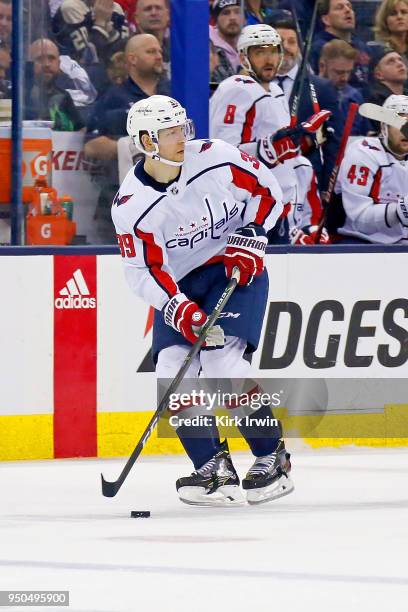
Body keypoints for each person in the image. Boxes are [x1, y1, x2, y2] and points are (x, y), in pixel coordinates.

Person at [112, 94, 294, 506]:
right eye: (169, 132)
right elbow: (143, 271)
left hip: (232, 266)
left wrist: (253, 235)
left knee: (221, 362)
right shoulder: (132, 207)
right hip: (182, 285)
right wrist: (179, 308)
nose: (182, 137)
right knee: (171, 368)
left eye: (182, 127)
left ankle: (272, 457)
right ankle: (213, 468)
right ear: (145, 140)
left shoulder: (216, 158)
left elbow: (268, 191)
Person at [210, 23, 330, 245]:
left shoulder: (275, 89)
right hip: (245, 206)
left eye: (273, 51)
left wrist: (301, 138)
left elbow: (282, 154)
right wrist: (276, 145)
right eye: (260, 52)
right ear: (244, 56)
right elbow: (221, 153)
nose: (269, 59)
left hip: (276, 203)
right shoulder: (236, 89)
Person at [269, 13, 343, 193]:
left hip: (307, 183)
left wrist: (327, 187)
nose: (285, 47)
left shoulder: (322, 88)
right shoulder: (252, 85)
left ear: (301, 48)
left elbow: (331, 140)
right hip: (263, 178)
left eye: (292, 42)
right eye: (279, 41)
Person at [336, 94, 408, 244]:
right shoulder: (363, 154)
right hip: (363, 243)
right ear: (384, 126)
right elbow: (359, 218)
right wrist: (400, 210)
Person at [311, 0, 370, 92]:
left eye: (349, 7)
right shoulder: (320, 47)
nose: (347, 10)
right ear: (326, 19)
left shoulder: (362, 46)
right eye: (339, 8)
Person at [26, 39, 84, 131]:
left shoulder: (64, 97)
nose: (46, 64)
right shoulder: (19, 97)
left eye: (51, 58)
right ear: (29, 64)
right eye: (40, 59)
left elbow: (81, 130)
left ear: (59, 63)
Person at [52, 0, 129, 65]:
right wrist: (101, 22)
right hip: (77, 72)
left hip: (113, 72)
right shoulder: (70, 7)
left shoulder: (116, 8)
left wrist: (109, 28)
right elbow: (88, 59)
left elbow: (124, 53)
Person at [319, 39, 370, 136]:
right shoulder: (308, 94)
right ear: (322, 66)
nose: (345, 78)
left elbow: (365, 131)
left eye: (348, 72)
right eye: (339, 72)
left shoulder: (354, 96)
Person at [210, 0, 244, 75]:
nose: (232, 17)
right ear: (216, 19)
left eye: (237, 12)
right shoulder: (206, 46)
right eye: (226, 13)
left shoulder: (251, 44)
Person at [133, 0, 170, 70]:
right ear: (136, 18)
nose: (154, 13)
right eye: (148, 9)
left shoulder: (177, 49)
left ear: (168, 15)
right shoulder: (124, 49)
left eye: (158, 8)